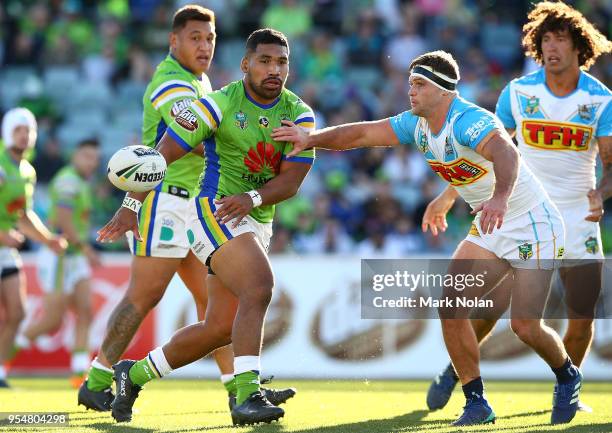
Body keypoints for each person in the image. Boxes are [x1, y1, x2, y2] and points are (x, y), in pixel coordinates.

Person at [272, 50, 584, 426]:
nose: (411, 92)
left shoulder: (469, 120)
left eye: (420, 84)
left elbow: (506, 154)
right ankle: (476, 401)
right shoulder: (415, 124)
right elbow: (362, 133)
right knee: (450, 305)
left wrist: (499, 197)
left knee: (525, 326)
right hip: (491, 223)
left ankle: (568, 376)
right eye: (410, 84)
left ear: (444, 91)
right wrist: (311, 139)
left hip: (534, 223)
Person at [97, 28, 314, 426]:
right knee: (259, 286)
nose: (274, 69)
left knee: (219, 328)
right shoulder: (216, 105)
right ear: (246, 64)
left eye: (282, 62)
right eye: (265, 61)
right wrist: (131, 205)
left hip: (253, 215)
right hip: (211, 211)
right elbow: (162, 153)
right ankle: (248, 395)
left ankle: (134, 374)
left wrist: (252, 199)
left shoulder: (299, 114)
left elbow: (291, 181)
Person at [425, 1, 611, 415]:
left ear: (580, 47)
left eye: (561, 39)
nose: (552, 48)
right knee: (493, 307)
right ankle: (459, 371)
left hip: (579, 216)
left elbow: (611, 163)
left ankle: (568, 387)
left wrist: (602, 192)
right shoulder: (518, 91)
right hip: (523, 212)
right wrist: (449, 194)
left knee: (582, 318)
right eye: (546, 39)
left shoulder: (600, 100)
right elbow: (486, 152)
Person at [77, 5, 237, 411]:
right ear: (174, 41)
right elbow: (194, 136)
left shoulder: (198, 82)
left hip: (194, 206)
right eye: (195, 38)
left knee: (218, 305)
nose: (204, 46)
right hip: (163, 202)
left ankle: (241, 391)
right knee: (144, 295)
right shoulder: (171, 82)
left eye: (210, 39)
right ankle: (96, 381)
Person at [17, 138, 101, 388]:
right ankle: (9, 350)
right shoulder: (67, 181)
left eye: (94, 157)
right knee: (53, 320)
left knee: (86, 311)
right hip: (59, 255)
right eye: (86, 155)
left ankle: (79, 374)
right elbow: (64, 220)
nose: (91, 162)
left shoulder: (83, 182)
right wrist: (87, 249)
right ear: (74, 155)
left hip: (74, 256)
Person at [0, 107, 67, 387]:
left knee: (18, 312)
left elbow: (23, 216)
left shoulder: (27, 171)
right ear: (7, 133)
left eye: (29, 130)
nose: (25, 135)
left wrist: (47, 239)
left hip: (5, 250)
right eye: (19, 129)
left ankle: (1, 373)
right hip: (3, 242)